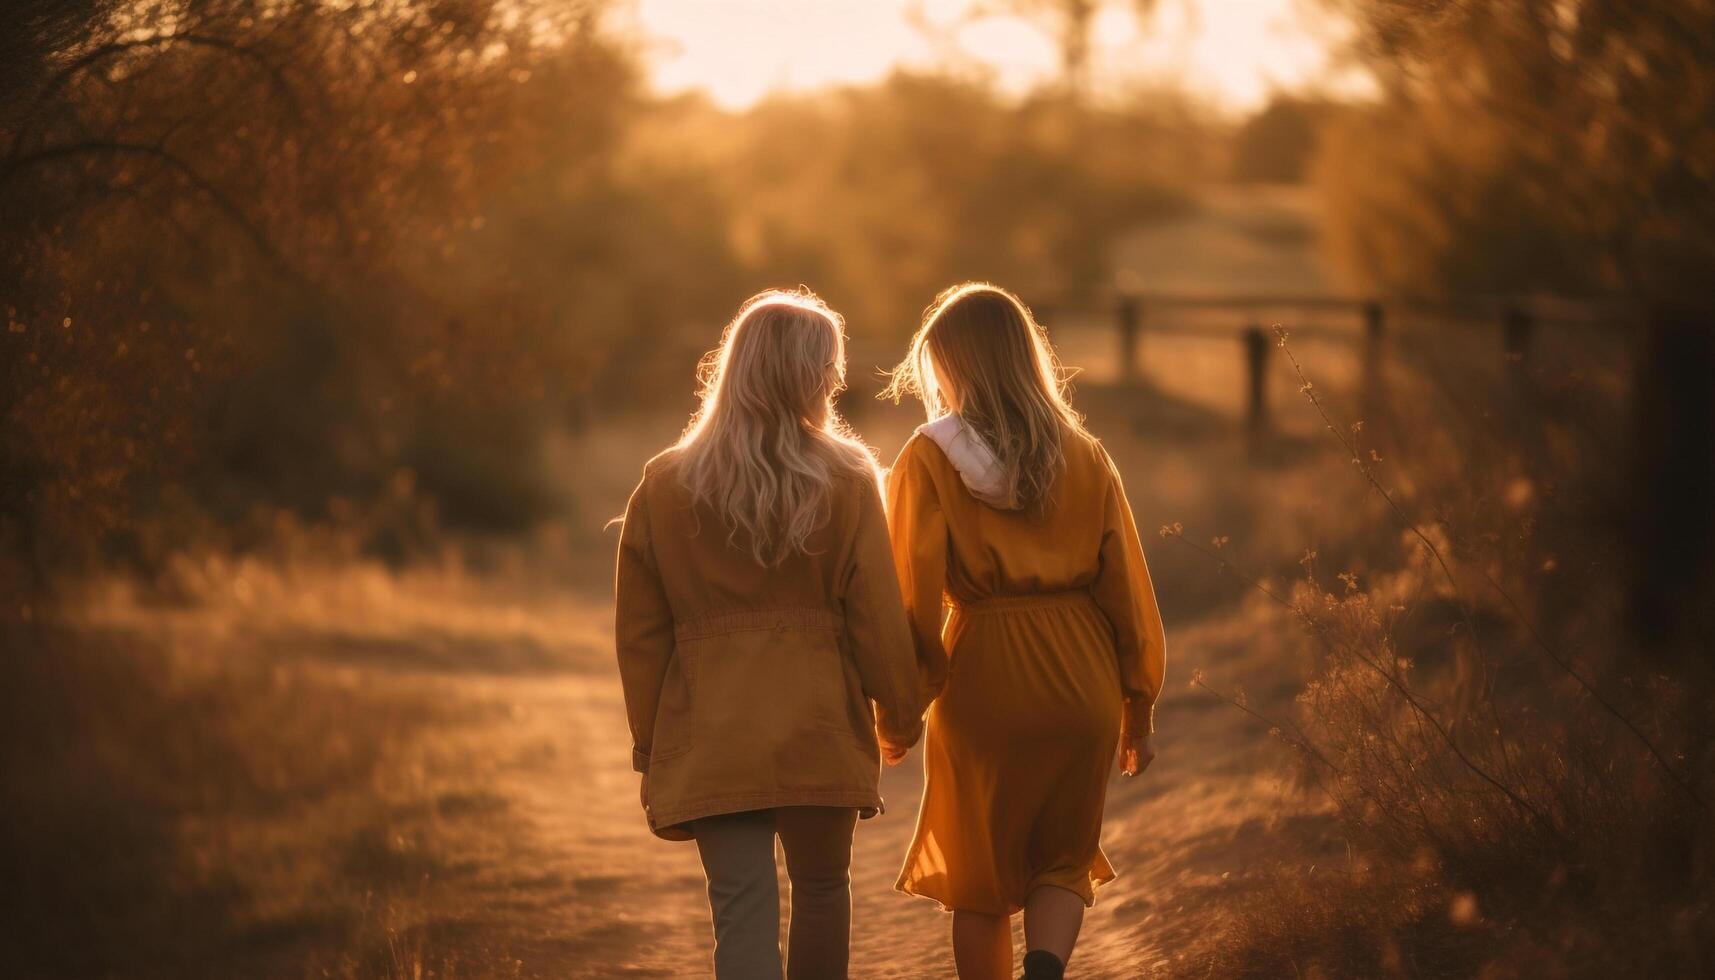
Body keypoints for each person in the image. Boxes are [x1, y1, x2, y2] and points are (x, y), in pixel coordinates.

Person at [613, 288, 925, 979]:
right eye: (830, 369)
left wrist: (650, 739)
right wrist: (899, 714)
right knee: (821, 891)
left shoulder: (664, 484)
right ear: (812, 376)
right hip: (817, 724)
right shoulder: (847, 478)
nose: (835, 382)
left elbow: (640, 635)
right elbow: (875, 609)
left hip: (711, 731)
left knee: (740, 904)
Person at [882, 282, 1167, 980]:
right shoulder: (1084, 454)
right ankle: (1044, 970)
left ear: (951, 364)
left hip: (985, 677)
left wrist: (901, 709)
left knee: (976, 877)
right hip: (1083, 678)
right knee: (1061, 860)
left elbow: (911, 597)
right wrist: (1137, 706)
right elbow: (1127, 591)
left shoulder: (926, 458)